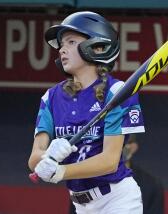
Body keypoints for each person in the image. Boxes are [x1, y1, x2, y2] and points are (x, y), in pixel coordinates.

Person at [28, 11, 145, 214]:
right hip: (81, 205)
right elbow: (34, 159)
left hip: (117, 200)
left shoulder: (116, 92)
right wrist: (48, 156)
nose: (62, 50)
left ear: (97, 46)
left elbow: (109, 161)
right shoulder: (51, 97)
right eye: (61, 45)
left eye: (71, 42)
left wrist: (62, 171)